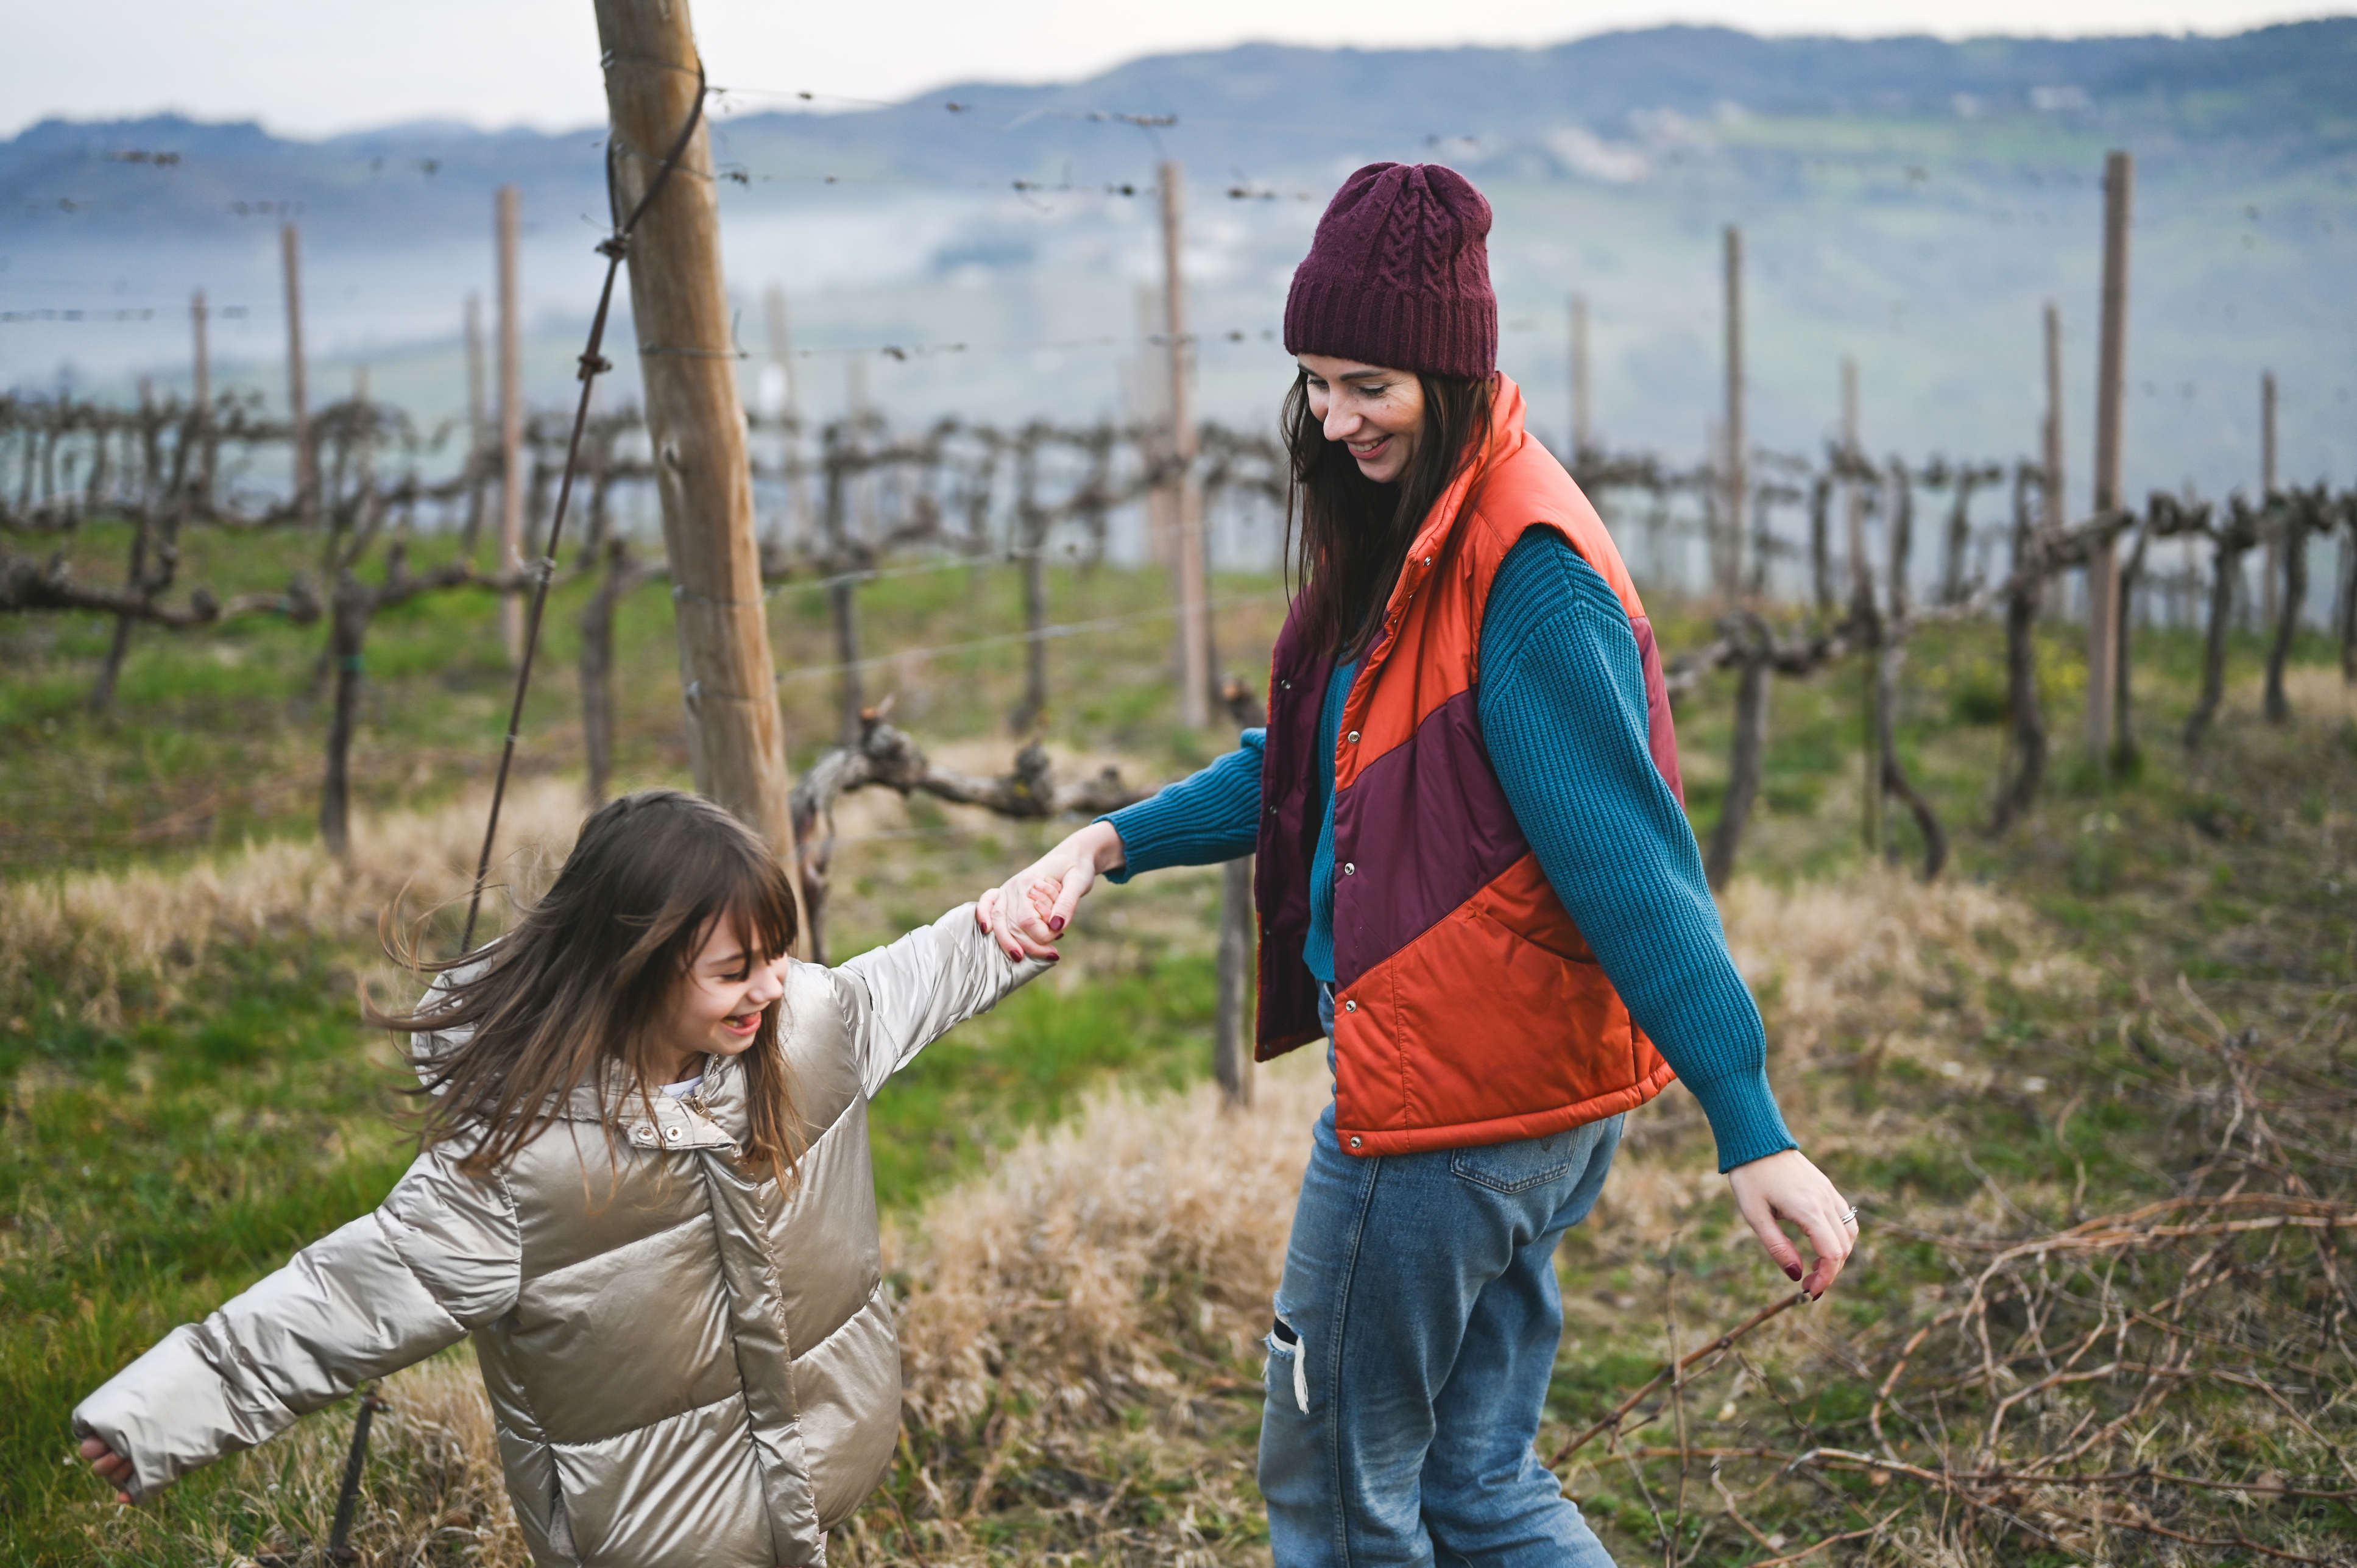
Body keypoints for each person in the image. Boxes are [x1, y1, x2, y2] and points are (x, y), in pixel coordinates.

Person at [984, 163, 1857, 1567]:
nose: (1335, 418)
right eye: (1317, 382)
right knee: (1475, 1486)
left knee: (1334, 1492)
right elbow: (1327, 761)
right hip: (1517, 1096)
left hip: (1447, 1122)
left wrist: (1751, 1120)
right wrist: (1112, 843)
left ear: (1451, 372)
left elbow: (1634, 865)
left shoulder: (1522, 571)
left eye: (1370, 384)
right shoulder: (1437, 531)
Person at [74, 788, 1049, 1567]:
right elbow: (345, 1298)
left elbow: (926, 971)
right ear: (634, 967)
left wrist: (1038, 897)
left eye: (776, 956)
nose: (771, 985)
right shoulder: (517, 1170)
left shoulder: (804, 1029)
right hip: (645, 1532)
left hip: (811, 1468)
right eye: (733, 968)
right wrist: (165, 1410)